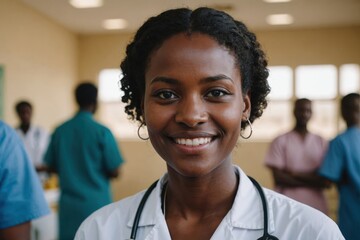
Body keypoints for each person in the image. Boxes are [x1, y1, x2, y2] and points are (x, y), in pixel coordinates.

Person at [75, 7, 344, 239]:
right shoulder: (99, 232)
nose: (191, 116)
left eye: (216, 92)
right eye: (166, 94)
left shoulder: (311, 232)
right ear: (142, 107)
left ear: (245, 106)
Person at [45, 82, 125, 240]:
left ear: (76, 100)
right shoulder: (101, 132)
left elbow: (51, 166)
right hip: (96, 205)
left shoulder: (60, 131)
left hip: (69, 208)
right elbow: (115, 171)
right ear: (95, 102)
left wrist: (70, 168)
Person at [264, 98, 329, 213]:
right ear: (294, 112)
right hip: (286, 205)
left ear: (312, 113)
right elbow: (279, 178)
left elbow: (324, 181)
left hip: (316, 206)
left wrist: (294, 174)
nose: (304, 114)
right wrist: (313, 179)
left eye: (307, 110)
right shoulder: (280, 140)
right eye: (300, 110)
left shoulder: (321, 141)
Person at [319, 93, 360, 240]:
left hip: (354, 216)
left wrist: (294, 176)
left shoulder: (340, 142)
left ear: (343, 111)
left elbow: (327, 180)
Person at [0, 120, 50, 240]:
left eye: (27, 111)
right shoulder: (6, 137)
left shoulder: (40, 133)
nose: (25, 115)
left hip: (37, 182)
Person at [14, 100, 50, 182]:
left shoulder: (42, 133)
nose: (25, 115)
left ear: (31, 113)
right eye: (22, 112)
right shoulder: (13, 134)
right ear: (17, 114)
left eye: (27, 112)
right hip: (20, 177)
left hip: (40, 178)